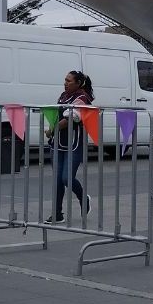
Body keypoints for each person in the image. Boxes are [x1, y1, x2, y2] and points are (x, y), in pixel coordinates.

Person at [45, 70, 94, 224]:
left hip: (74, 144)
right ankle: (57, 213)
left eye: (69, 81)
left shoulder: (82, 98)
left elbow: (69, 118)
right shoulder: (63, 96)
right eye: (65, 80)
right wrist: (51, 130)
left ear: (78, 83)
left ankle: (83, 197)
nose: (65, 83)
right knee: (58, 180)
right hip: (58, 143)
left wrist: (53, 129)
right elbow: (57, 115)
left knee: (67, 178)